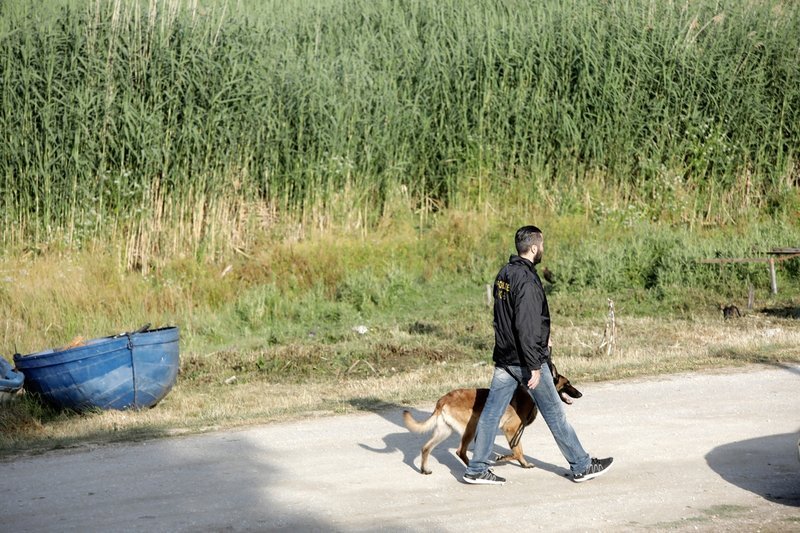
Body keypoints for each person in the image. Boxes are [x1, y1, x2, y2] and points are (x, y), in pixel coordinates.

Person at [463, 225, 613, 485]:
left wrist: (543, 337)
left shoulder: (504, 273)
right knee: (555, 414)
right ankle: (582, 465)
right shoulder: (527, 279)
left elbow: (504, 317)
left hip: (505, 357)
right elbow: (526, 324)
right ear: (533, 248)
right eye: (541, 245)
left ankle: (476, 469)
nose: (543, 248)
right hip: (526, 360)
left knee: (491, 414)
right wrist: (534, 364)